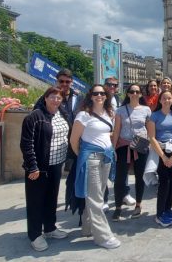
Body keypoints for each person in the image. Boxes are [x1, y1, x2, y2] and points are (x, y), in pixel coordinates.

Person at [70, 84, 120, 249]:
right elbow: (73, 141)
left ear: (106, 96)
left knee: (96, 194)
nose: (99, 96)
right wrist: (84, 156)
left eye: (102, 93)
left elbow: (106, 133)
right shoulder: (83, 115)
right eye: (96, 93)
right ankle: (103, 236)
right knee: (96, 198)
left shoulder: (108, 113)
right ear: (90, 96)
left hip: (106, 157)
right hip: (91, 158)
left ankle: (87, 228)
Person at [20, 86, 70, 251]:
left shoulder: (61, 114)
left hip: (56, 165)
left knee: (51, 198)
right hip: (39, 168)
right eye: (52, 97)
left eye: (59, 97)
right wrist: (32, 166)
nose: (56, 100)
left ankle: (49, 228)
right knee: (36, 201)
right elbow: (26, 144)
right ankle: (35, 235)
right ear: (45, 98)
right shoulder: (35, 117)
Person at [111, 84, 152, 221]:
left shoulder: (146, 110)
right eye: (132, 91)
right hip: (123, 145)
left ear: (141, 94)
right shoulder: (120, 110)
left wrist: (151, 144)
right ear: (128, 94)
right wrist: (113, 148)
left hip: (141, 145)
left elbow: (149, 129)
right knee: (120, 178)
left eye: (137, 91)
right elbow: (116, 130)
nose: (134, 93)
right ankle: (118, 207)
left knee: (140, 177)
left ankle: (138, 204)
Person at [148, 90, 172, 227]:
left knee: (171, 182)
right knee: (163, 182)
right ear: (160, 100)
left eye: (169, 98)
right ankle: (159, 214)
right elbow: (152, 137)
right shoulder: (153, 116)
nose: (167, 100)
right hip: (159, 151)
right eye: (164, 98)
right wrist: (163, 156)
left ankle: (168, 208)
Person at [102, 76, 134, 210]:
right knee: (104, 168)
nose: (112, 87)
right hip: (104, 139)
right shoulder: (100, 100)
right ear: (105, 85)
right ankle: (104, 198)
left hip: (117, 139)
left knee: (122, 168)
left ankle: (124, 193)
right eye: (109, 85)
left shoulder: (118, 100)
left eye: (115, 85)